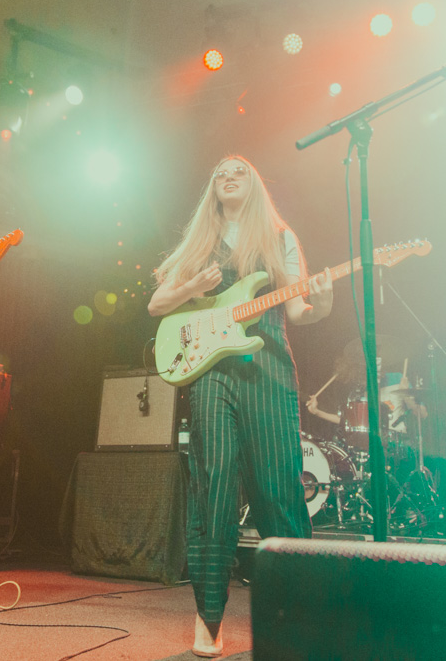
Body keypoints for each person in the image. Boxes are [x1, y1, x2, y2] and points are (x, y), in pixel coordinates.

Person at [147, 156, 333, 657]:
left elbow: (299, 310)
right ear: (213, 188)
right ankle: (208, 619)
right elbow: (158, 306)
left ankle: (299, 614)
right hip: (211, 374)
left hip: (268, 370)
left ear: (255, 185)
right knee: (213, 489)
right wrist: (193, 287)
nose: (228, 175)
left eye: (240, 171)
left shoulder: (279, 236)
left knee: (279, 489)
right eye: (220, 172)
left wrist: (326, 298)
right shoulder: (200, 242)